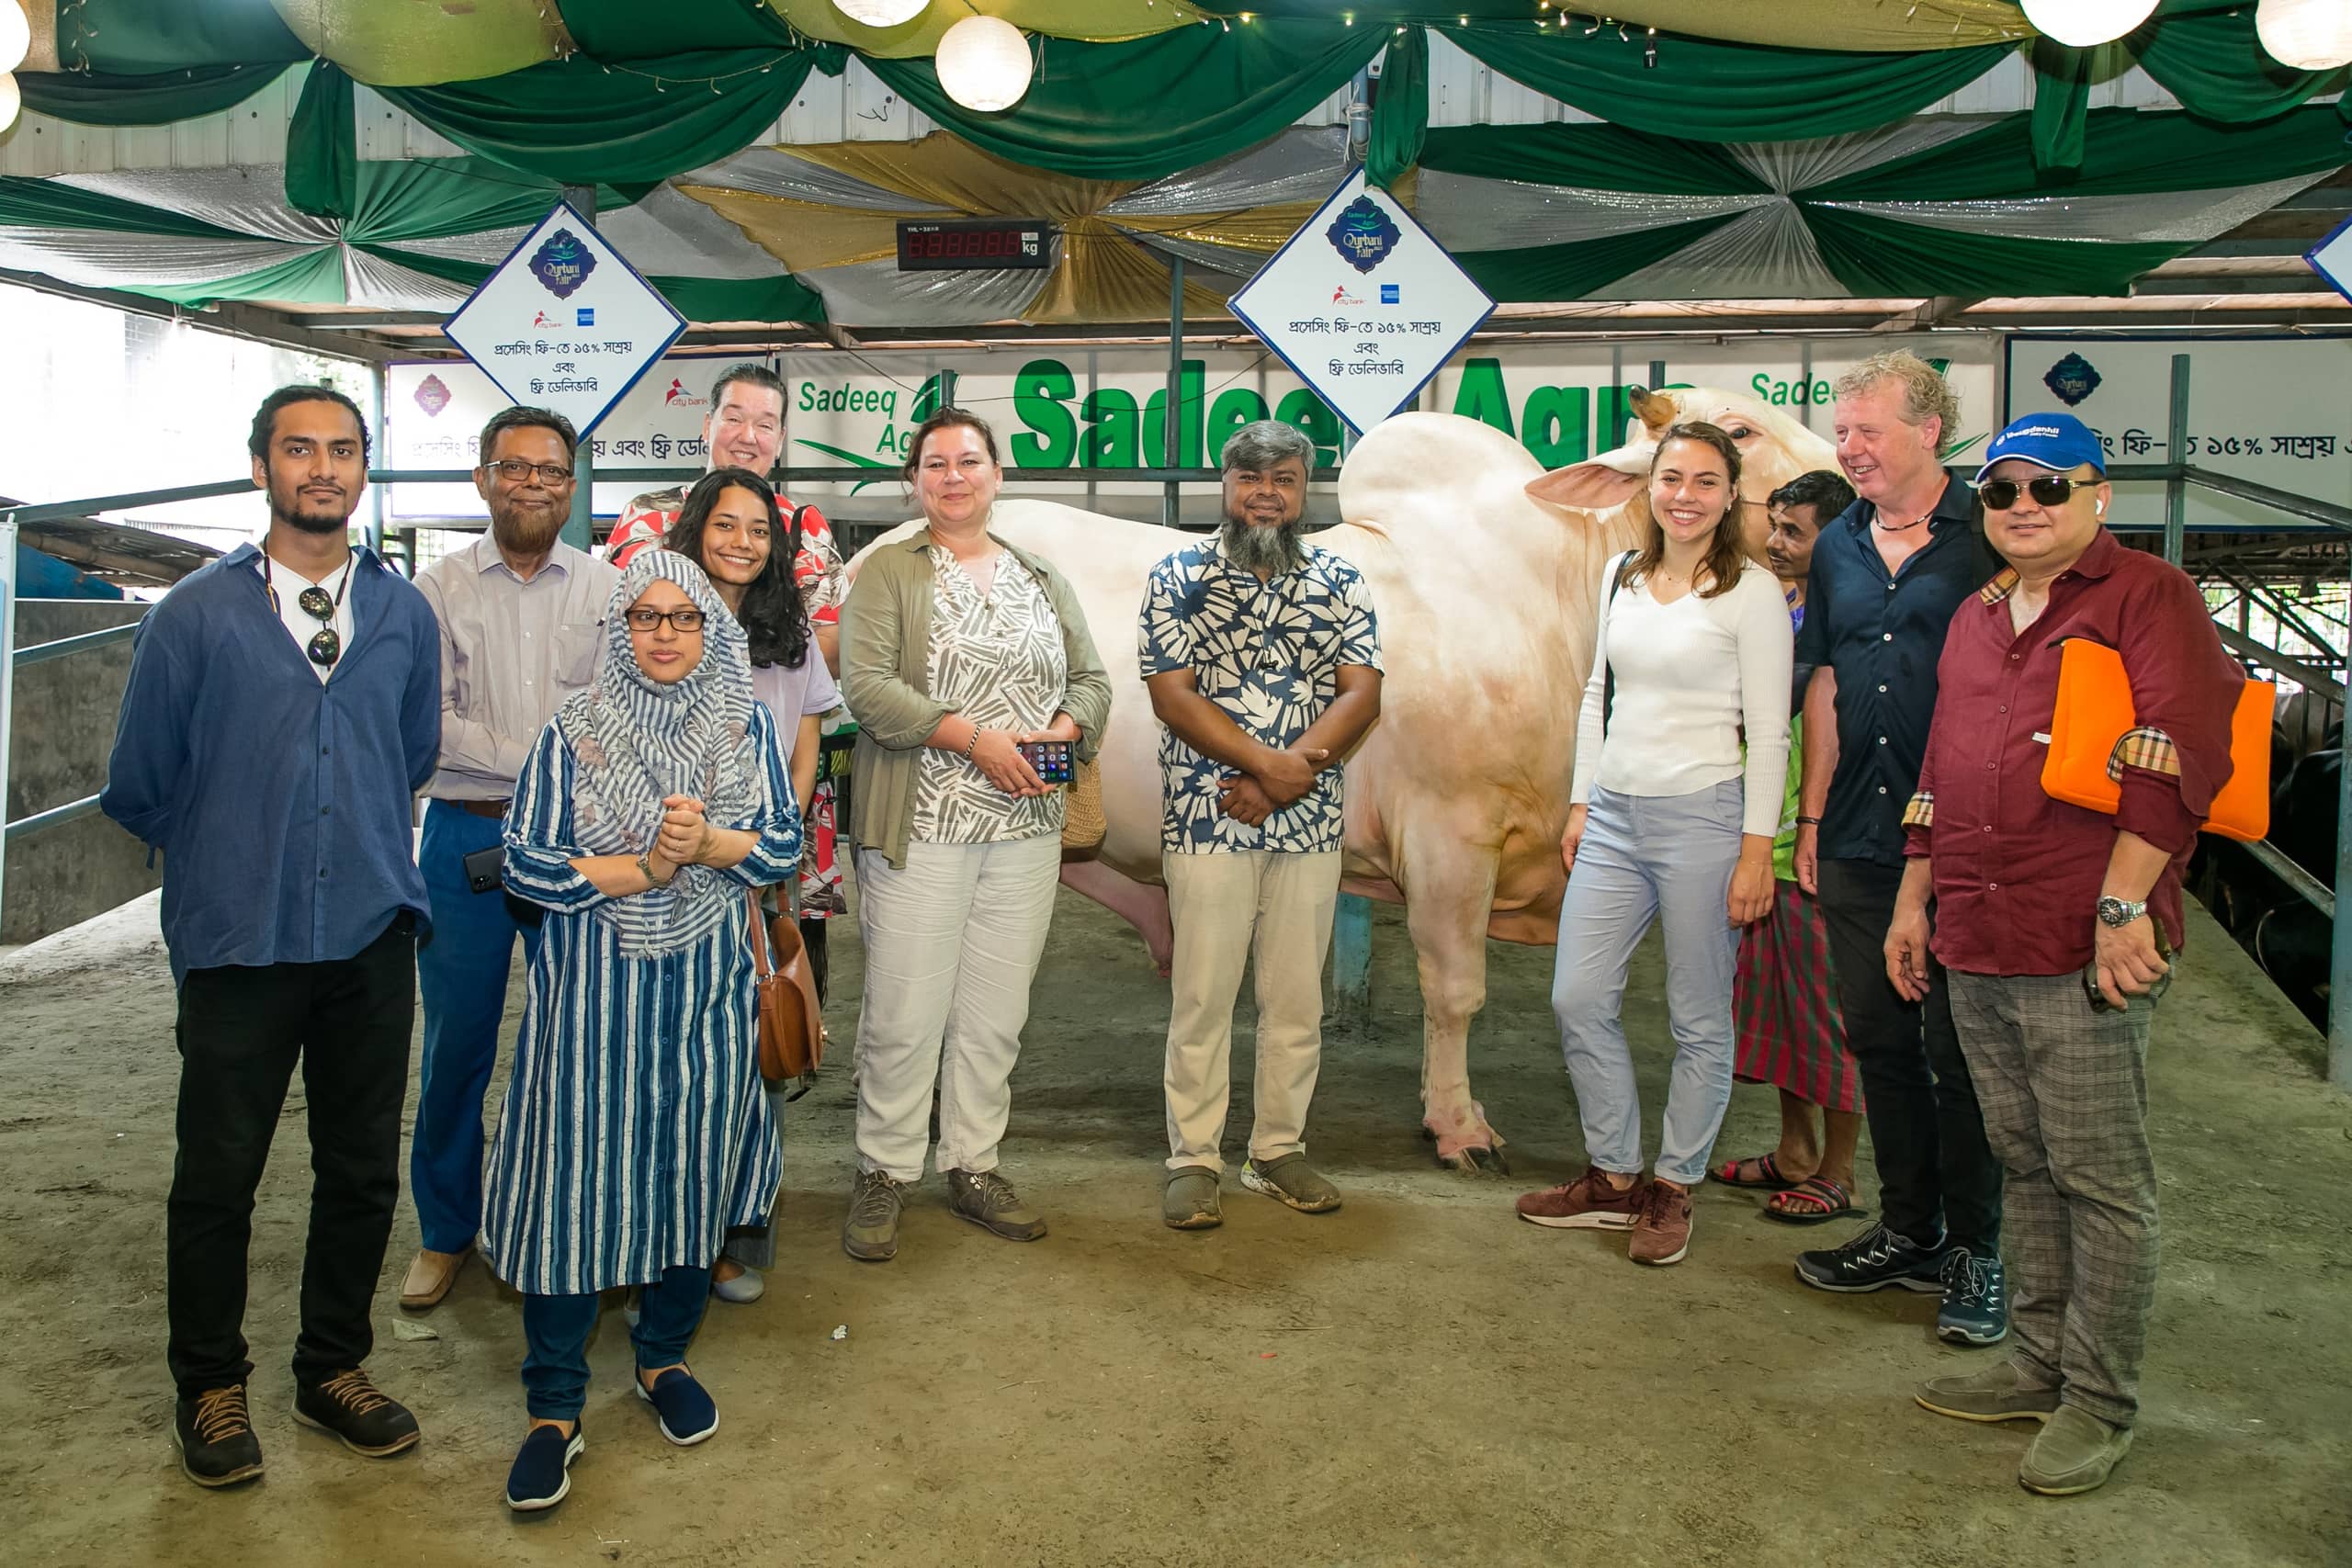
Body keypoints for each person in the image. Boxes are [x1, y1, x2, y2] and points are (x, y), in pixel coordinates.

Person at [101, 385, 439, 1487]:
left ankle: (331, 1368)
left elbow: (412, 752)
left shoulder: (403, 614)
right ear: (263, 468)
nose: (323, 468)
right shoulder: (193, 616)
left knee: (360, 1169)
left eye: (343, 450)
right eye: (300, 449)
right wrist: (237, 844)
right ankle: (209, 1382)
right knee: (219, 1175)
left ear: (363, 469)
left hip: (370, 932)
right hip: (238, 937)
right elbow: (141, 782)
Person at [1899, 413, 2241, 1496]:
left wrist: (2122, 908)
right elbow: (1942, 764)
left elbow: (2180, 754)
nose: (2024, 506)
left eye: (2050, 485)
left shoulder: (2148, 596)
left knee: (2100, 1180)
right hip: (1977, 930)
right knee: (2026, 1160)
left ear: (2099, 494)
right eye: (2002, 491)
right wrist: (1914, 901)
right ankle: (2038, 1365)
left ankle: (2098, 1400)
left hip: (2079, 935)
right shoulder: (1976, 615)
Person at [484, 551, 802, 1514]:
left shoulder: (744, 726)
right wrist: (648, 870)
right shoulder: (573, 731)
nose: (665, 633)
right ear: (620, 630)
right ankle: (554, 1408)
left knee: (689, 1177)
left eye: (684, 616)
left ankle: (663, 1359)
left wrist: (708, 844)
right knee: (574, 1190)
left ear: (711, 629)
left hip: (707, 1002)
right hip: (593, 1007)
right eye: (645, 616)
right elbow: (525, 866)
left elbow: (781, 845)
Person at [836, 408, 1111, 1263]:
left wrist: (1065, 730)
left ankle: (973, 1162)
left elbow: (1093, 680)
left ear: (997, 473)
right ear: (914, 481)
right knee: (904, 1010)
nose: (952, 476)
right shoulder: (888, 570)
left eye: (968, 461)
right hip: (923, 825)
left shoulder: (1039, 574)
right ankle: (884, 1168)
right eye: (935, 464)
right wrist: (977, 739)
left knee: (996, 1012)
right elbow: (867, 687)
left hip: (1025, 829)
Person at [1515, 422, 1792, 1267]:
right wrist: (1580, 801)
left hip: (1705, 818)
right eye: (1672, 478)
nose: (1685, 496)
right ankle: (1612, 1174)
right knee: (1577, 995)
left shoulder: (1752, 593)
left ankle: (1673, 1183)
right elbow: (1597, 693)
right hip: (1612, 817)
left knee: (1698, 1014)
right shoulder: (1621, 575)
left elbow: (1771, 734)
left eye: (1706, 481)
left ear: (1731, 495)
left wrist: (1755, 850)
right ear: (1650, 486)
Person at [1789, 351, 2009, 1347]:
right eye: (1842, 432)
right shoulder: (1837, 542)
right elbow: (1826, 682)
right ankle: (1910, 1229)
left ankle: (1977, 1250)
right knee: (1880, 1040)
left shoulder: (1988, 533)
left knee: (1962, 1054)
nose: (1850, 448)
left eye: (1868, 430)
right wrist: (1809, 819)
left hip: (1965, 838)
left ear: (1930, 431)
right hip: (1856, 833)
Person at [1142, 421, 1383, 1230]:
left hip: (1308, 821)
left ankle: (1277, 1150)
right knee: (1202, 995)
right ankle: (1193, 1159)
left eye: (1283, 478)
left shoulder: (1341, 580)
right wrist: (1266, 770)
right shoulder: (1178, 575)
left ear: (1305, 488)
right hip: (1206, 813)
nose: (1266, 493)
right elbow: (1172, 694)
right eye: (1250, 478)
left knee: (1295, 999)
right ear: (1226, 484)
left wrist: (1282, 781)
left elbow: (1362, 693)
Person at [401, 407, 616, 1314]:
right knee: (457, 1044)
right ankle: (447, 1229)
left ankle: (573, 1221)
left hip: (583, 845)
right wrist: (546, 754)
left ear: (570, 487)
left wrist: (554, 761)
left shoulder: (610, 590)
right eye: (515, 468)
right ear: (483, 479)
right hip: (468, 839)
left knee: (585, 1041)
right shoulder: (434, 591)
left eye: (551, 471)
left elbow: (620, 716)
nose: (534, 484)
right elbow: (427, 725)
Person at [607, 362, 852, 996]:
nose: (748, 435)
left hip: (778, 784)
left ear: (782, 438)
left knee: (772, 970)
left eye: (766, 424)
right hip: (657, 791)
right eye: (735, 417)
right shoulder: (649, 516)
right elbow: (626, 635)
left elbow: (825, 643)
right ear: (707, 423)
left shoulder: (803, 525)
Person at [664, 467, 840, 1303]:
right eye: (726, 524)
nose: (742, 541)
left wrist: (768, 855)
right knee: (673, 1064)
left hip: (755, 879)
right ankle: (661, 1239)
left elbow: (805, 752)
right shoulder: (659, 621)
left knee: (747, 1062)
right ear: (696, 529)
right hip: (667, 878)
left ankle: (729, 1242)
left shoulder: (789, 634)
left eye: (759, 529)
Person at [1714, 469, 1870, 1224]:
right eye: (1773, 526)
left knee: (1830, 1015)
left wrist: (1813, 825)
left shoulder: (1852, 620)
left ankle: (1840, 1171)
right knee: (1779, 1011)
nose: (1774, 542)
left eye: (1792, 531)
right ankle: (1795, 1149)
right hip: (1766, 846)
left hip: (1822, 849)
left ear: (1834, 538)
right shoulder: (1777, 607)